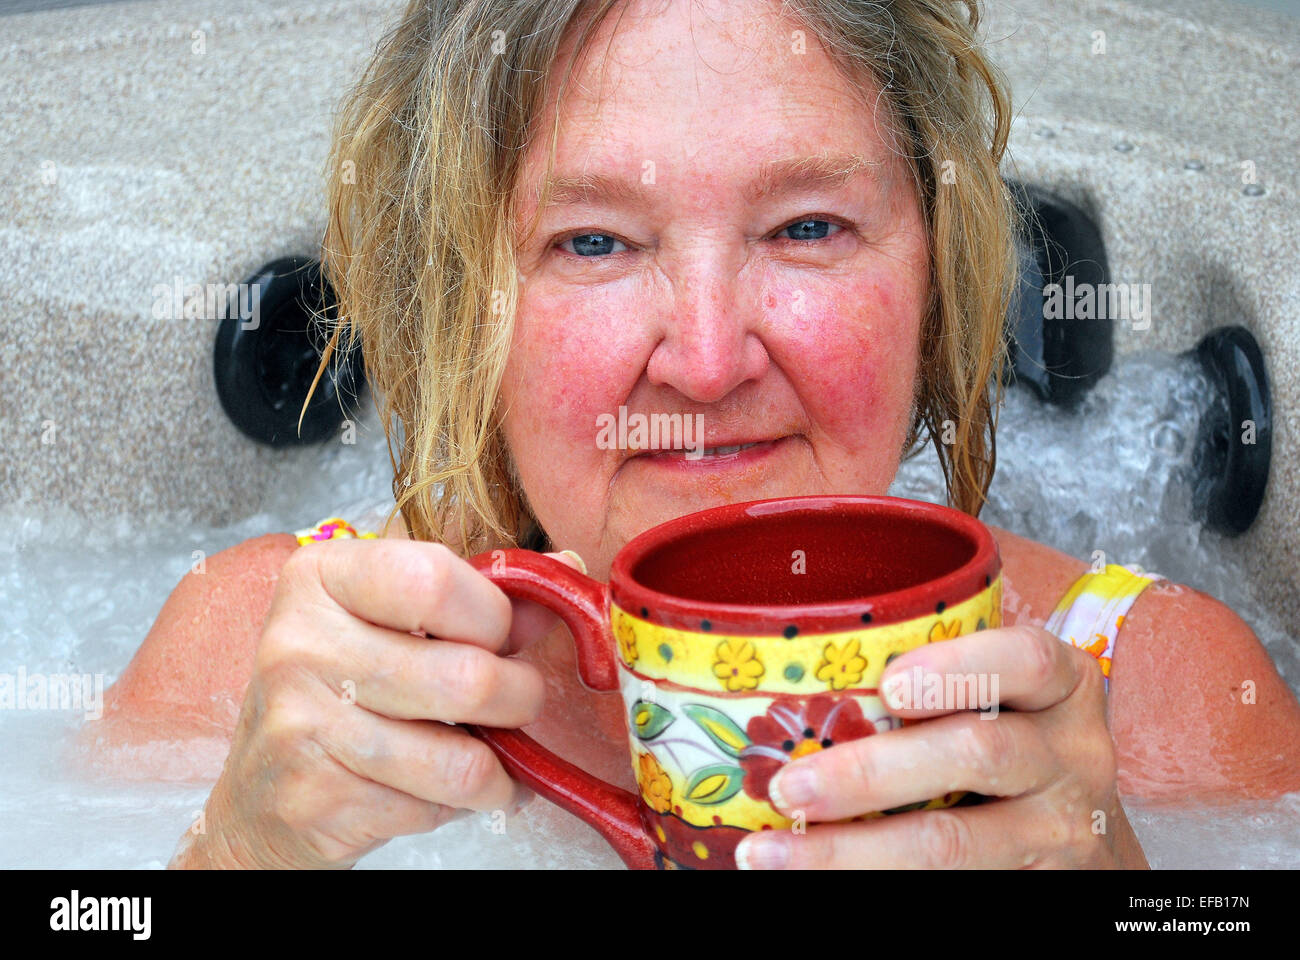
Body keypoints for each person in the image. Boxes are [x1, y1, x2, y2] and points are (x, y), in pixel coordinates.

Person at [83, 0, 1300, 869]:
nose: (710, 361)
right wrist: (240, 853)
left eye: (808, 227)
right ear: (454, 297)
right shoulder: (251, 659)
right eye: (594, 243)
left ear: (938, 267)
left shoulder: (1164, 695)